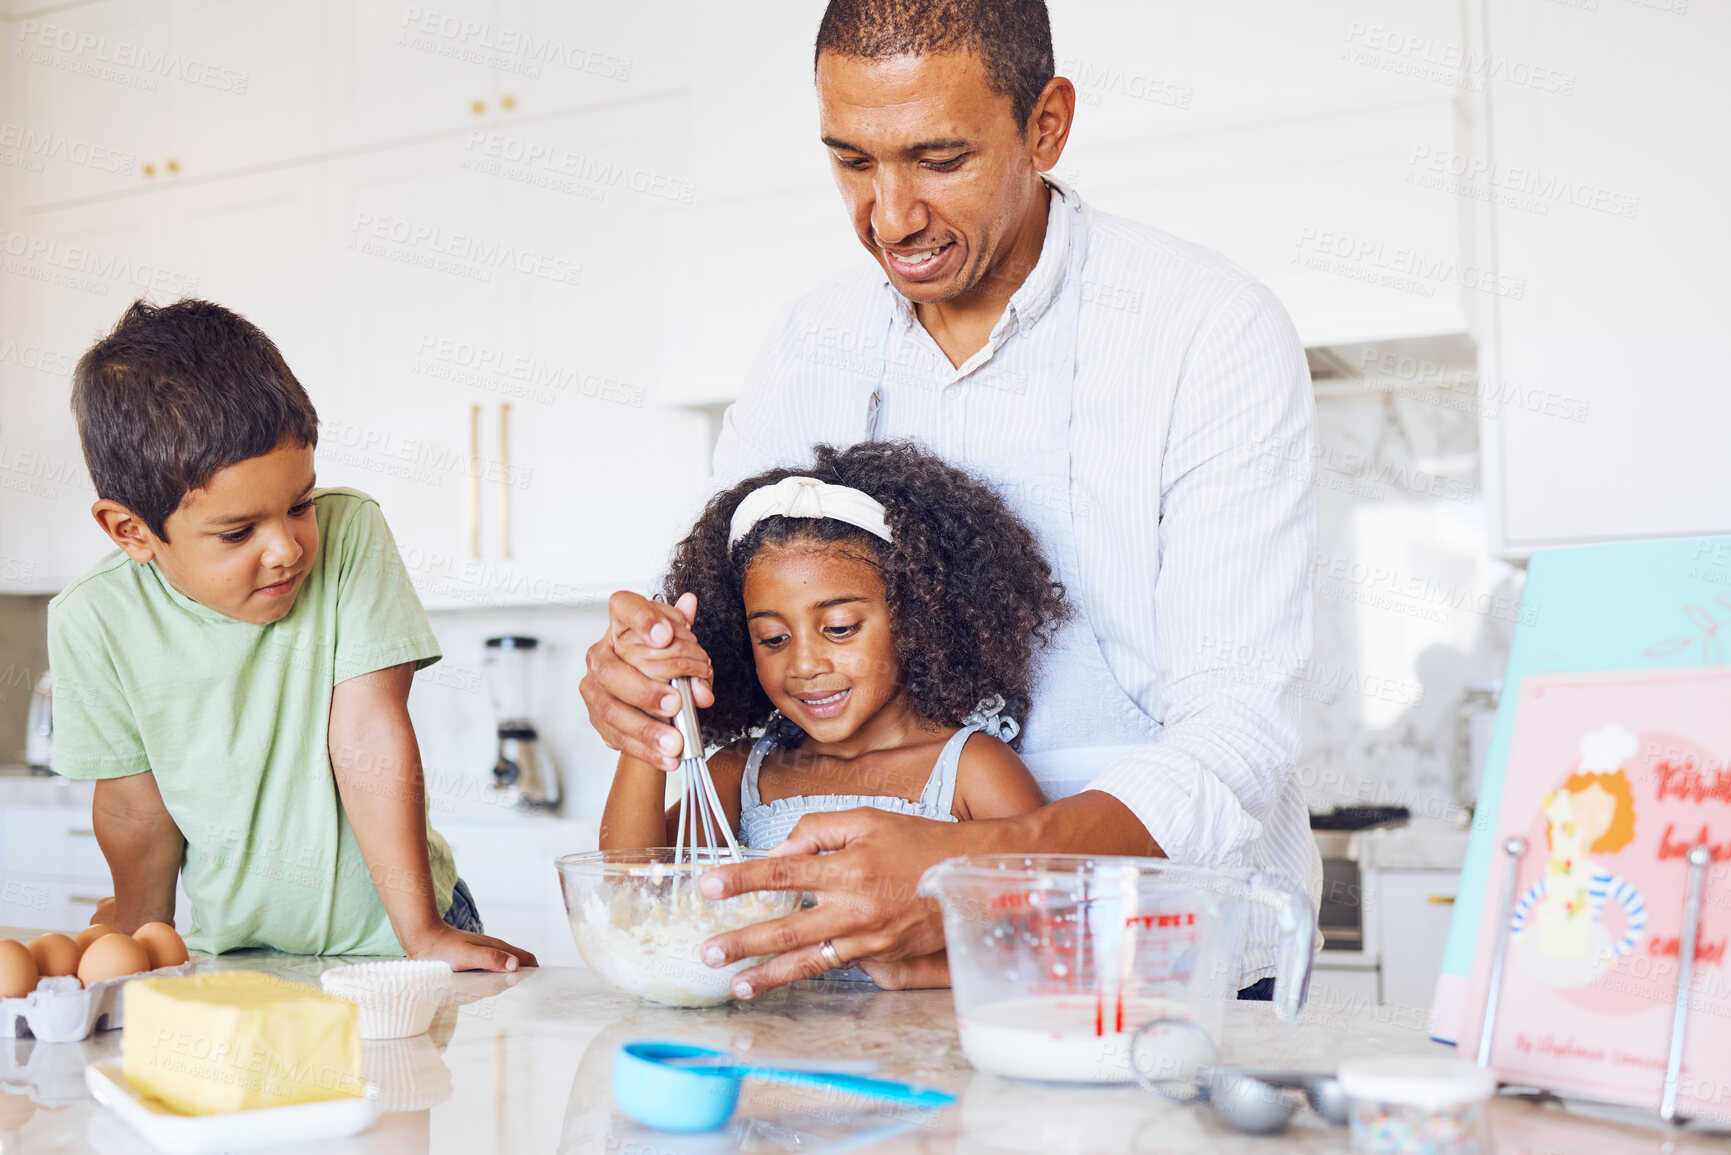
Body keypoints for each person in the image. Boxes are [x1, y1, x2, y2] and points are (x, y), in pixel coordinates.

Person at [580, 0, 1319, 1000]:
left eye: (939, 159)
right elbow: (728, 637)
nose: (891, 217)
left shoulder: (1203, 331)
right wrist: (647, 673)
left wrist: (978, 875)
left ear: (1045, 125)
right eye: (852, 161)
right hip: (884, 984)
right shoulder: (809, 346)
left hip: (1166, 966)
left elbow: (1239, 732)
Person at [46, 298, 536, 972]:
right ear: (133, 531)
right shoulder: (93, 619)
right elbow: (135, 807)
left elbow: (367, 733)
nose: (287, 548)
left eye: (300, 504)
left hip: (397, 939)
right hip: (243, 952)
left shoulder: (351, 533)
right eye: (238, 531)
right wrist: (139, 937)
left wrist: (421, 932)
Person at [599, 443, 1064, 985]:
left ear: (917, 615)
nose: (804, 664)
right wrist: (654, 713)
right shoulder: (742, 775)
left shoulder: (971, 770)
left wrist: (921, 971)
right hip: (769, 1059)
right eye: (771, 638)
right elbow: (629, 892)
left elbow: (1051, 934)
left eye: (839, 627)